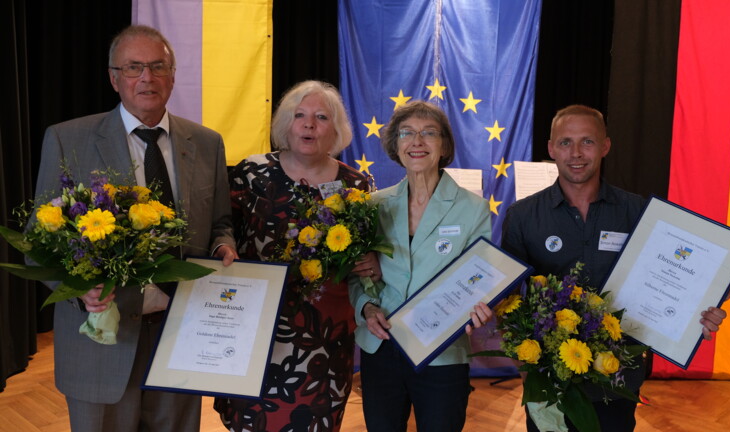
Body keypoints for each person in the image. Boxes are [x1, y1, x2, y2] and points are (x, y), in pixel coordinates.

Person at [30, 25, 238, 431]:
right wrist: (76, 287)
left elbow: (220, 223)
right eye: (134, 67)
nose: (147, 77)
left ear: (173, 76)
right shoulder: (67, 140)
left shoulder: (207, 142)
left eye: (158, 66)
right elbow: (37, 242)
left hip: (180, 338)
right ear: (114, 78)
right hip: (101, 341)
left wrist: (224, 245)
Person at [501, 104, 729, 431]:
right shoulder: (523, 216)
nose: (576, 153)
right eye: (565, 142)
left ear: (605, 145)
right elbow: (509, 301)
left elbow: (676, 279)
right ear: (551, 149)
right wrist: (522, 360)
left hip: (617, 376)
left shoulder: (640, 212)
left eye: (587, 142)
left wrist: (701, 314)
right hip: (550, 378)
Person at [214, 80, 372, 432]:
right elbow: (221, 228)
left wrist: (368, 262)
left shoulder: (357, 185)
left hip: (325, 334)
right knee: (254, 417)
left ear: (336, 130)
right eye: (299, 115)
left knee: (316, 420)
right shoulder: (251, 172)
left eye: (321, 117)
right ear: (286, 124)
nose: (309, 124)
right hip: (256, 322)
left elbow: (364, 252)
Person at [349, 101, 493, 432]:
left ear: (444, 145)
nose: (417, 142)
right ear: (394, 145)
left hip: (442, 352)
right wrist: (366, 307)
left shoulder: (472, 208)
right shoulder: (374, 206)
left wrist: (480, 306)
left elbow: (480, 277)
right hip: (381, 345)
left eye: (429, 133)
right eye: (407, 133)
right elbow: (358, 276)